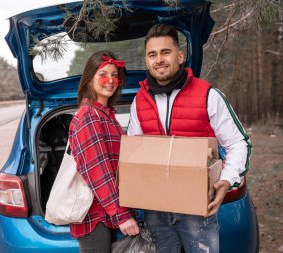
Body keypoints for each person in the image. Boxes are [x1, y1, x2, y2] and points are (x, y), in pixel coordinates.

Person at [127, 24, 251, 253]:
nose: (159, 60)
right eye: (152, 55)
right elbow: (134, 153)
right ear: (146, 61)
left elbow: (238, 143)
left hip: (198, 209)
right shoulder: (139, 101)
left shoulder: (208, 95)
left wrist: (227, 180)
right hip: (155, 210)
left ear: (180, 56)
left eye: (166, 52)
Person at [68, 50, 140, 253]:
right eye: (103, 74)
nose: (110, 80)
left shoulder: (106, 115)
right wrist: (121, 214)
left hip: (107, 214)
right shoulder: (89, 115)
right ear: (90, 79)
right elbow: (97, 170)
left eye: (115, 75)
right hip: (95, 217)